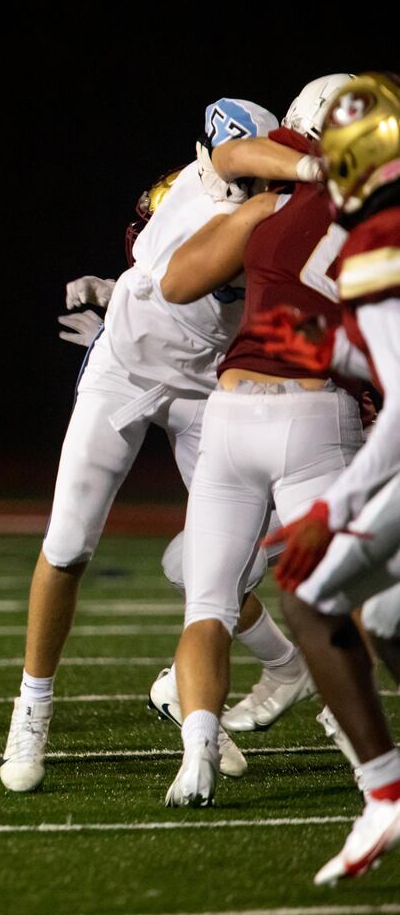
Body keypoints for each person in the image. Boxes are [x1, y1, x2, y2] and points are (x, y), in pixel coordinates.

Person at [0, 97, 298, 793]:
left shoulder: (283, 210)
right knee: (68, 543)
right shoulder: (207, 183)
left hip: (209, 391)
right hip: (124, 372)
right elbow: (225, 176)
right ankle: (32, 709)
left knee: (224, 562)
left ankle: (219, 685)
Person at [158, 79, 364, 807]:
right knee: (341, 604)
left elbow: (176, 282)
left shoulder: (270, 205)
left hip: (232, 410)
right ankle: (363, 746)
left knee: (207, 606)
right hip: (316, 416)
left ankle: (197, 757)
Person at [251, 71, 399, 883]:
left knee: (312, 597)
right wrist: (334, 353)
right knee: (379, 610)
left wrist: (333, 509)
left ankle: (386, 791)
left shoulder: (376, 233)